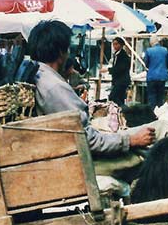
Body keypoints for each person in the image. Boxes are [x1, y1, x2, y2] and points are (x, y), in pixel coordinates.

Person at [28, 20, 154, 156]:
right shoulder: (54, 87)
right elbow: (87, 139)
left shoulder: (40, 75)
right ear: (61, 52)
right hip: (81, 154)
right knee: (163, 128)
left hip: (75, 144)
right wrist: (131, 140)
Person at [143, 36, 168, 108]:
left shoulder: (149, 51)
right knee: (160, 97)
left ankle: (152, 113)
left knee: (151, 96)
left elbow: (146, 63)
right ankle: (159, 112)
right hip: (162, 76)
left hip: (152, 76)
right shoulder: (165, 50)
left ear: (151, 42)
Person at [108, 37, 130, 106]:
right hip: (117, 80)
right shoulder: (116, 55)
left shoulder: (123, 55)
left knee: (113, 96)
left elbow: (120, 68)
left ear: (120, 45)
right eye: (113, 44)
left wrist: (109, 70)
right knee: (120, 98)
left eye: (116, 44)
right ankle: (121, 112)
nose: (114, 46)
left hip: (122, 80)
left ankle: (124, 109)